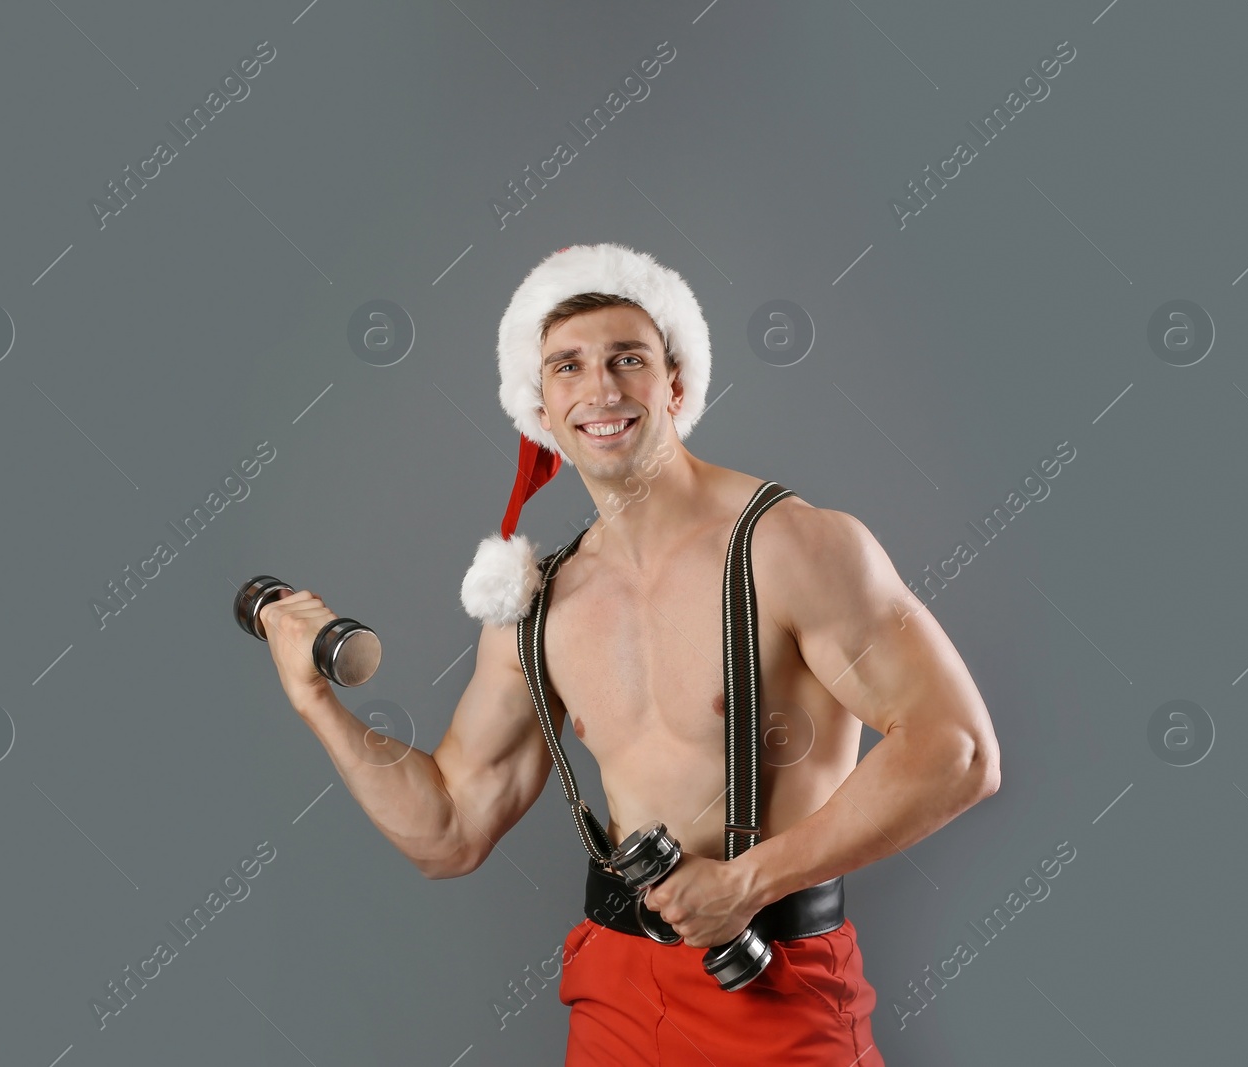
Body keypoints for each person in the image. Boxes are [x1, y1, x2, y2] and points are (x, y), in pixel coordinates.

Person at [260, 242, 1000, 1065]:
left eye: (627, 359)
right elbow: (450, 829)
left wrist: (749, 882)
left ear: (675, 383)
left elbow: (958, 751)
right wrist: (315, 703)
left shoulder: (792, 548)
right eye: (568, 367)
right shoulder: (534, 606)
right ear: (538, 407)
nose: (601, 389)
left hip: (772, 988)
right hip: (615, 995)